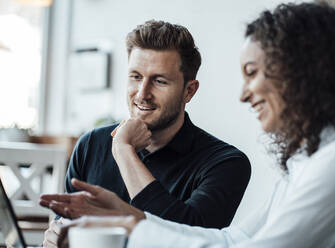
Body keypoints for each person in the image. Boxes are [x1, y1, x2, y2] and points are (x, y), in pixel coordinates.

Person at [48, 2, 335, 248]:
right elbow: (232, 239)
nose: (243, 94)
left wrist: (131, 225)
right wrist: (128, 217)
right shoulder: (307, 157)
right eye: (134, 76)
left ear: (302, 75)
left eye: (252, 73)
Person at [41, 20, 251, 247]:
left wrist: (124, 151)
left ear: (189, 91)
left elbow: (189, 237)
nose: (142, 94)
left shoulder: (226, 163)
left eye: (159, 81)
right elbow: (67, 224)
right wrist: (56, 237)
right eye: (136, 77)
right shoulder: (91, 144)